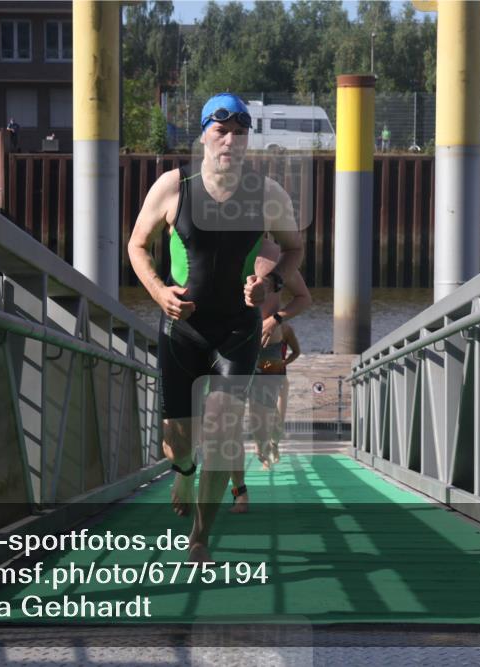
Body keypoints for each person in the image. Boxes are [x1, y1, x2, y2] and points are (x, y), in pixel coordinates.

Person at [127, 93, 303, 562]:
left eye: (239, 133)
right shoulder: (173, 187)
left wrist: (271, 281)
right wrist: (160, 292)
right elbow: (137, 246)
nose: (229, 140)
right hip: (182, 330)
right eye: (221, 131)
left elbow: (294, 247)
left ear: (247, 141)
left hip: (238, 331)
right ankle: (183, 470)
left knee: (224, 434)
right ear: (204, 134)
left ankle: (201, 537)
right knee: (175, 441)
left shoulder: (268, 194)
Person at [230, 237, 310, 513]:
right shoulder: (221, 243)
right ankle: (239, 492)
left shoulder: (274, 255)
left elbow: (304, 297)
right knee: (229, 421)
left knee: (260, 420)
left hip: (268, 350)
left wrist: (276, 319)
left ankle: (265, 446)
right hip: (231, 345)